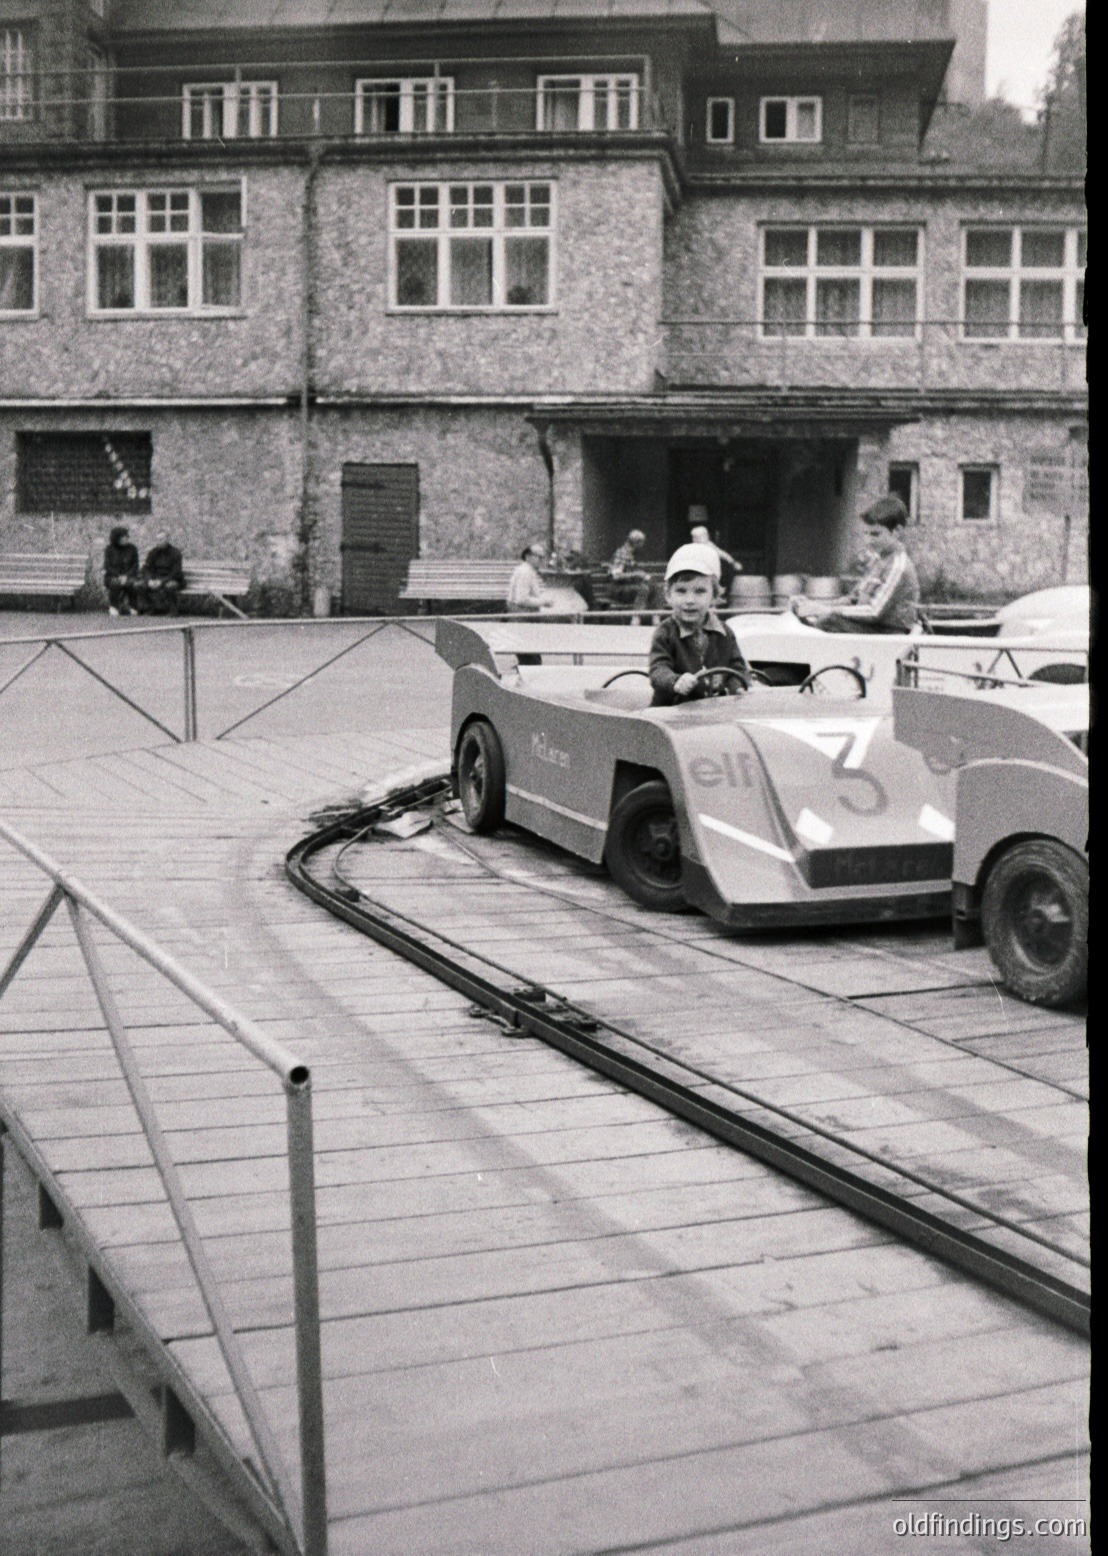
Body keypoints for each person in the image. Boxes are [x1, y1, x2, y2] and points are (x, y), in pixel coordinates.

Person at [789, 495, 919, 633]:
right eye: (866, 534)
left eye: (875, 534)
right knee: (812, 618)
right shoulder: (879, 561)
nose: (868, 540)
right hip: (870, 629)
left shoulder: (898, 565)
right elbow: (853, 599)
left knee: (828, 621)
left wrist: (826, 610)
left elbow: (874, 612)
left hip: (888, 635)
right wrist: (815, 605)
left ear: (897, 531)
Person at [648, 543, 750, 707]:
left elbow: (737, 668)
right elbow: (658, 669)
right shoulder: (665, 632)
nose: (690, 600)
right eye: (681, 591)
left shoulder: (725, 632)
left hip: (713, 711)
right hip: (672, 713)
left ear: (714, 595)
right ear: (668, 595)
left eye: (700, 591)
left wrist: (737, 687)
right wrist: (675, 681)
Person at [139, 530, 185, 615]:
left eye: (161, 539)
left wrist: (161, 581)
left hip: (173, 579)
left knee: (170, 586)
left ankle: (172, 610)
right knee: (141, 585)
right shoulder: (153, 552)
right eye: (157, 539)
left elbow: (176, 572)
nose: (159, 542)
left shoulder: (175, 553)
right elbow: (146, 568)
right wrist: (149, 580)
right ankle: (150, 608)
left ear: (167, 539)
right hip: (155, 578)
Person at [689, 523, 739, 601]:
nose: (694, 540)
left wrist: (733, 562)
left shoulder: (709, 546)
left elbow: (723, 554)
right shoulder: (692, 548)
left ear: (705, 536)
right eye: (693, 537)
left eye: (697, 537)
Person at [608, 528, 651, 612]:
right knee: (643, 589)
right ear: (636, 543)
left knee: (656, 588)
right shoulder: (622, 553)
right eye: (642, 543)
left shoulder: (631, 554)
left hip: (628, 587)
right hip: (618, 588)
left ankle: (655, 618)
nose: (642, 546)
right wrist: (637, 574)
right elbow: (616, 576)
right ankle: (636, 618)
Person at [103, 524, 139, 616]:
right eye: (123, 538)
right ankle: (114, 606)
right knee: (115, 583)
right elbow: (107, 566)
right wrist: (118, 576)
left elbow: (135, 565)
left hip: (129, 576)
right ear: (117, 538)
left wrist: (126, 576)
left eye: (127, 537)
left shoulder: (132, 549)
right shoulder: (109, 549)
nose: (125, 539)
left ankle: (132, 607)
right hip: (113, 576)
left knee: (132, 584)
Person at [506, 543, 553, 614]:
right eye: (539, 557)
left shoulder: (529, 570)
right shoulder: (525, 571)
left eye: (543, 557)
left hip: (525, 611)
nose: (541, 560)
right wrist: (544, 602)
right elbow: (522, 600)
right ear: (528, 557)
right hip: (520, 614)